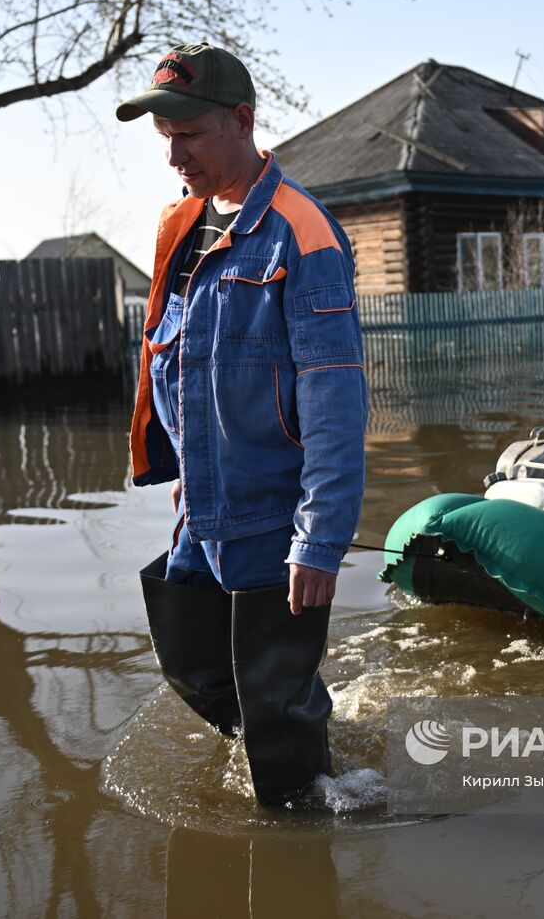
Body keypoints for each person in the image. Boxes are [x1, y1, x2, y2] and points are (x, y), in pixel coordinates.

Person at [116, 44, 367, 806]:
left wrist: (320, 539)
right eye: (165, 137)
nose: (175, 155)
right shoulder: (180, 226)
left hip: (270, 518)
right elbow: (177, 361)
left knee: (280, 758)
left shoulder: (302, 233)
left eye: (188, 133)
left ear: (242, 121)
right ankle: (303, 735)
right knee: (188, 667)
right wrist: (185, 471)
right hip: (204, 508)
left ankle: (310, 806)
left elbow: (335, 401)